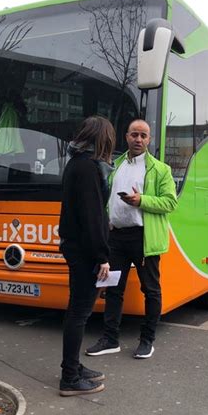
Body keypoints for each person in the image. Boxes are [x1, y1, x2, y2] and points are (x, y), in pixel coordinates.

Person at [86, 119, 177, 359]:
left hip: (143, 237)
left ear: (149, 140)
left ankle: (147, 340)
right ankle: (110, 339)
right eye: (134, 134)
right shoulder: (114, 165)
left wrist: (142, 200)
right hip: (116, 237)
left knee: (151, 290)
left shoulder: (160, 169)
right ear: (126, 137)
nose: (138, 139)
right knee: (112, 288)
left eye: (143, 135)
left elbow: (170, 202)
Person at [58, 116, 116, 396]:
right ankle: (69, 376)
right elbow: (92, 217)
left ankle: (73, 366)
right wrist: (102, 256)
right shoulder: (89, 169)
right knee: (79, 314)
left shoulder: (75, 164)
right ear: (102, 141)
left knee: (76, 312)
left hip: (75, 248)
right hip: (85, 252)